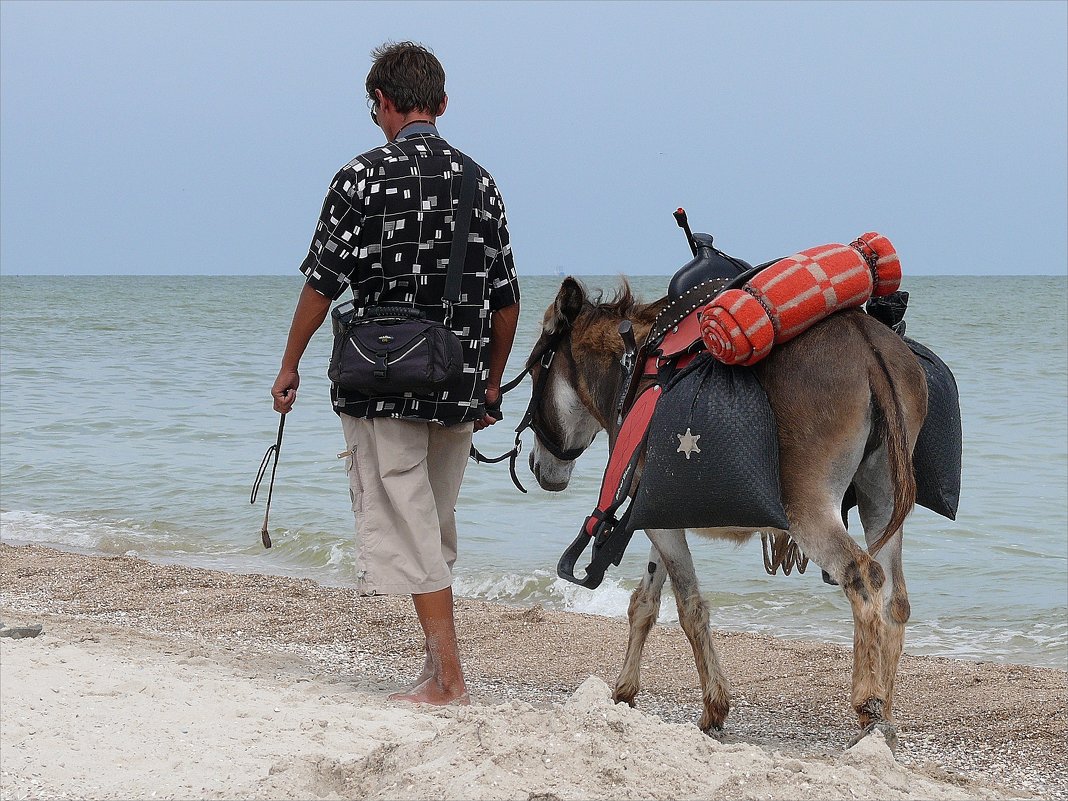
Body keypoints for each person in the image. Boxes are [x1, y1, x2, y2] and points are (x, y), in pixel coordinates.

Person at [271, 41, 521, 705]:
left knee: (410, 522)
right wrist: (493, 383)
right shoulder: (480, 183)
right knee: (432, 522)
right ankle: (434, 667)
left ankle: (450, 679)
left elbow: (322, 285)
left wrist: (290, 362)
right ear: (440, 104)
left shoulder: (359, 177)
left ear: (383, 104)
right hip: (459, 378)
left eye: (376, 109)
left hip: (384, 377)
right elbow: (506, 300)